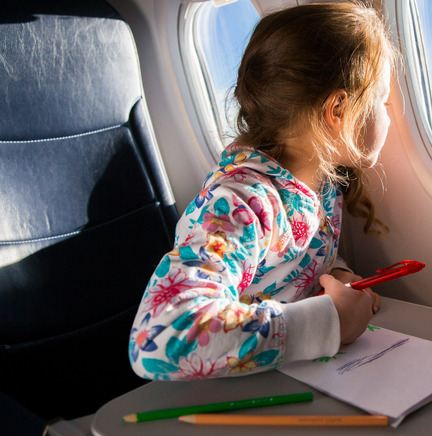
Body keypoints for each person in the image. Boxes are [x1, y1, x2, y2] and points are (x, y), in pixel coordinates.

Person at [129, 1, 398, 380]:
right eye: (383, 101)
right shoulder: (242, 204)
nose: (389, 115)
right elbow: (160, 339)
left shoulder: (319, 187)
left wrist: (336, 276)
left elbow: (289, 270)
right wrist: (328, 323)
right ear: (338, 110)